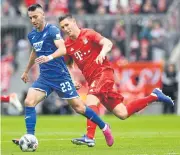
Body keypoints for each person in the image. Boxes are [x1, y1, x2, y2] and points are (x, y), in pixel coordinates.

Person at [57, 14, 174, 147]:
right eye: (62, 27)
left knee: (90, 100)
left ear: (74, 22)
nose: (65, 29)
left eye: (67, 25)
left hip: (103, 73)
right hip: (93, 80)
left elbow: (107, 43)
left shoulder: (88, 34)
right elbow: (67, 66)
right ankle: (154, 96)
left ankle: (90, 136)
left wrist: (102, 53)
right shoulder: (67, 45)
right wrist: (72, 80)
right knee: (122, 113)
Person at [12, 4, 113, 147]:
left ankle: (104, 126)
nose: (33, 20)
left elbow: (62, 49)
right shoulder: (32, 35)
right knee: (29, 101)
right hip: (45, 78)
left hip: (61, 77)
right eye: (30, 18)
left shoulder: (52, 30)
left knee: (79, 108)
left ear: (43, 15)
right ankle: (30, 137)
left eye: (35, 16)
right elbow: (34, 52)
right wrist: (26, 70)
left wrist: (49, 57)